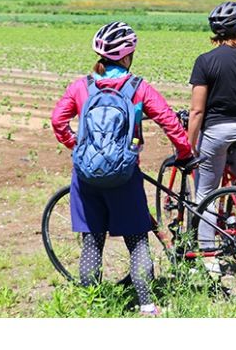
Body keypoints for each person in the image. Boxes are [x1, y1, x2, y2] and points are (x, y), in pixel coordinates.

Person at [51, 21, 192, 316]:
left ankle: (93, 305)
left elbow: (57, 121)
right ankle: (147, 306)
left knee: (92, 240)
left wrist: (76, 146)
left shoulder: (81, 86)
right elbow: (169, 122)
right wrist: (184, 152)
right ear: (128, 56)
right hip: (125, 176)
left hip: (86, 177)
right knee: (138, 239)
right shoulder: (139, 88)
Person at [188, 1, 236, 263]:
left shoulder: (205, 62)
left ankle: (209, 259)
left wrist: (188, 147)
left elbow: (197, 111)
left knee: (207, 194)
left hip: (217, 131)